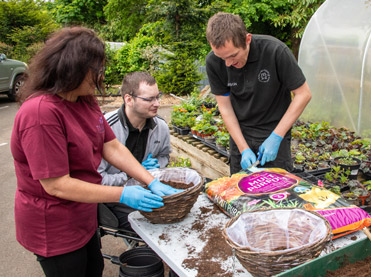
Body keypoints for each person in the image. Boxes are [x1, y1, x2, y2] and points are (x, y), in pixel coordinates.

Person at [10, 27, 179, 277]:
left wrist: (150, 180)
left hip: (83, 216)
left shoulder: (83, 99)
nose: (101, 76)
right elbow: (56, 185)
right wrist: (123, 194)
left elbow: (110, 145)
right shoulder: (41, 113)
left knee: (94, 268)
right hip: (55, 226)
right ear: (73, 68)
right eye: (97, 69)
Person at [205, 12, 312, 174]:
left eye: (233, 55)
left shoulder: (275, 51)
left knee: (277, 191)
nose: (228, 64)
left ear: (247, 39)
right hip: (240, 132)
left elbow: (303, 94)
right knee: (241, 192)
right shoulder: (213, 61)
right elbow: (225, 108)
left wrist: (276, 137)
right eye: (222, 58)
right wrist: (243, 149)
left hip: (274, 130)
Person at [98, 71, 179, 231]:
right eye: (149, 99)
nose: (157, 103)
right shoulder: (106, 128)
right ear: (129, 99)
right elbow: (97, 180)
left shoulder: (160, 126)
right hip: (114, 198)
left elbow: (164, 156)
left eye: (158, 96)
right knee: (159, 225)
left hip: (147, 189)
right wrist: (131, 175)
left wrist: (157, 167)